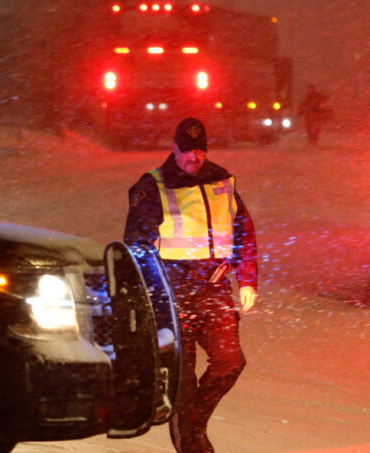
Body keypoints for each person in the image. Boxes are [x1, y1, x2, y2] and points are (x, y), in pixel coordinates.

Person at [124, 117, 258, 453]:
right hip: (172, 294)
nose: (193, 158)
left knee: (230, 361)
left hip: (213, 289)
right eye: (186, 151)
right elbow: (136, 246)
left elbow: (244, 233)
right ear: (174, 148)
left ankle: (194, 423)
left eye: (199, 151)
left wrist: (247, 279)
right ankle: (191, 443)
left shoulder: (221, 181)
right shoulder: (153, 186)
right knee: (182, 377)